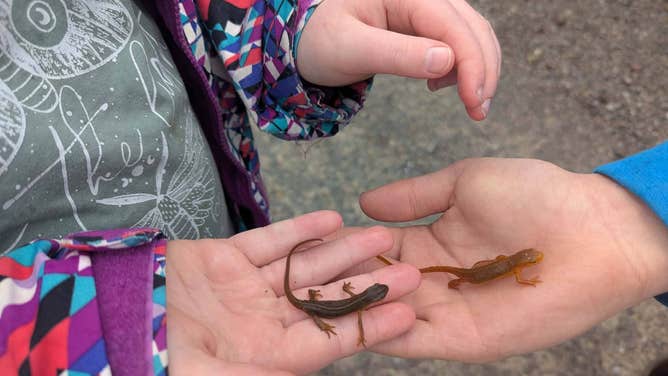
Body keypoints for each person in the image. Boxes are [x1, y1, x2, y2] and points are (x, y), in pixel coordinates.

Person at [0, 0, 499, 374]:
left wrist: (291, 18)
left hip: (208, 254)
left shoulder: (348, 293)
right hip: (96, 336)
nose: (362, 290)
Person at [352, 145, 668, 362]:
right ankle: (454, 283)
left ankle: (452, 280)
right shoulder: (513, 267)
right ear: (522, 258)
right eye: (531, 258)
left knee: (457, 272)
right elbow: (511, 272)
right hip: (473, 275)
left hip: (480, 270)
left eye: (531, 257)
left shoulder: (512, 261)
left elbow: (507, 265)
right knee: (458, 276)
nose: (532, 259)